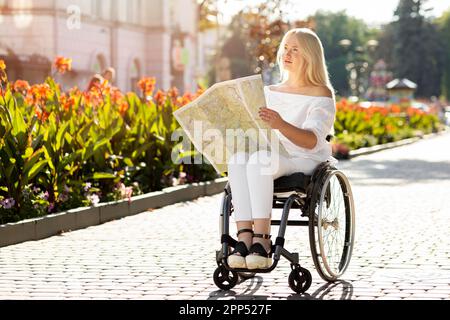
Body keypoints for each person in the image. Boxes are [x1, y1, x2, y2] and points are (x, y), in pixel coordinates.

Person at [227, 28, 337, 270]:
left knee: (259, 161)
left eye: (295, 49)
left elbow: (310, 141)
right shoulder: (269, 92)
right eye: (286, 48)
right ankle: (244, 238)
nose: (287, 53)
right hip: (269, 152)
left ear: (310, 56)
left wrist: (280, 124)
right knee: (237, 159)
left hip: (303, 157)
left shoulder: (321, 93)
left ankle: (263, 240)